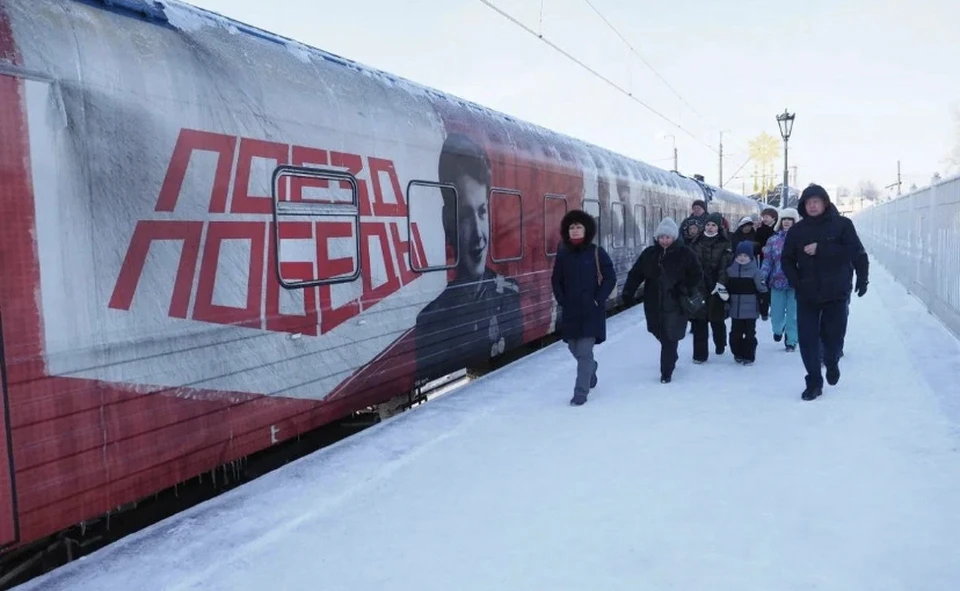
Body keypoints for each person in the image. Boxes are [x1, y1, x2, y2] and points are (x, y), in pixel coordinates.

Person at [414, 133, 524, 384]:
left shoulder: (509, 296)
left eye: (482, 212)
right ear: (446, 222)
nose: (478, 236)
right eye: (465, 215)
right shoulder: (431, 321)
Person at [781, 184, 864, 401]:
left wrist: (823, 249)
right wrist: (795, 281)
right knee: (807, 340)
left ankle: (832, 360)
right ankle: (814, 382)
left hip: (835, 293)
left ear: (825, 203)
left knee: (833, 337)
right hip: (807, 293)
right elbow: (786, 259)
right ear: (803, 206)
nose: (812, 205)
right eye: (808, 202)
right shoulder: (797, 231)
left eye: (816, 201)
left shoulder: (842, 225)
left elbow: (854, 251)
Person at [621, 217, 703, 383]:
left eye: (668, 237)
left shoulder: (685, 253)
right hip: (653, 301)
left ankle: (666, 372)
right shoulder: (650, 254)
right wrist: (628, 292)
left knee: (669, 336)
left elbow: (697, 274)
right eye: (661, 237)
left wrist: (685, 288)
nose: (664, 240)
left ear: (674, 237)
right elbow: (636, 274)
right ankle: (671, 354)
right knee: (656, 330)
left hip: (676, 302)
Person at [551, 209, 617, 406]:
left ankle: (581, 392)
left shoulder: (597, 252)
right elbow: (556, 280)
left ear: (586, 229)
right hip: (571, 311)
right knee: (574, 348)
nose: (575, 230)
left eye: (579, 227)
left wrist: (599, 298)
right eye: (572, 227)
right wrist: (562, 299)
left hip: (591, 311)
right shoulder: (563, 254)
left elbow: (610, 277)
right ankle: (592, 368)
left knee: (584, 353)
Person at [687, 212, 732, 363]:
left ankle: (720, 343)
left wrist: (721, 284)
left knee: (717, 320)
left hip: (716, 287)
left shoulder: (725, 244)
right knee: (699, 320)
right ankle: (699, 355)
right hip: (698, 287)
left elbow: (725, 267)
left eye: (713, 225)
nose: (710, 227)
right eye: (708, 225)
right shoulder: (695, 242)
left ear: (718, 227)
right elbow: (691, 266)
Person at [760, 208, 799, 351]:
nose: (787, 222)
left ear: (795, 222)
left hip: (795, 283)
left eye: (790, 219)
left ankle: (791, 340)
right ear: (780, 222)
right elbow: (768, 261)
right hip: (777, 282)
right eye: (784, 219)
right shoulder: (773, 240)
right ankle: (778, 328)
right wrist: (762, 275)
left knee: (793, 314)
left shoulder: (801, 240)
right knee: (776, 313)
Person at [726, 241, 768, 365]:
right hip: (735, 311)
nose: (742, 258)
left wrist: (763, 310)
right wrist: (725, 303)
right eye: (740, 255)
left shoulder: (756, 272)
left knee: (750, 335)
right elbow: (726, 289)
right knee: (735, 335)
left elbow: (763, 291)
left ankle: (749, 355)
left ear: (751, 257)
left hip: (751, 311)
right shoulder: (730, 271)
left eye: (745, 256)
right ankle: (737, 352)